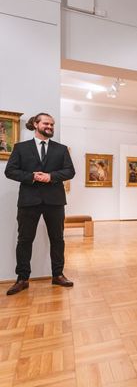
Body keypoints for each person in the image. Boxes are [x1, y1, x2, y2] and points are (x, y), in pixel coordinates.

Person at [4, 112, 76, 295]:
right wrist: (32, 176)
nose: (50, 127)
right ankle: (22, 278)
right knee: (25, 240)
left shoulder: (61, 149)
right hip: (29, 201)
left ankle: (57, 275)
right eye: (46, 124)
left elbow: (70, 171)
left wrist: (51, 176)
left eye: (52, 124)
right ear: (36, 124)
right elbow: (10, 171)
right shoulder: (20, 148)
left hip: (55, 201)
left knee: (57, 239)